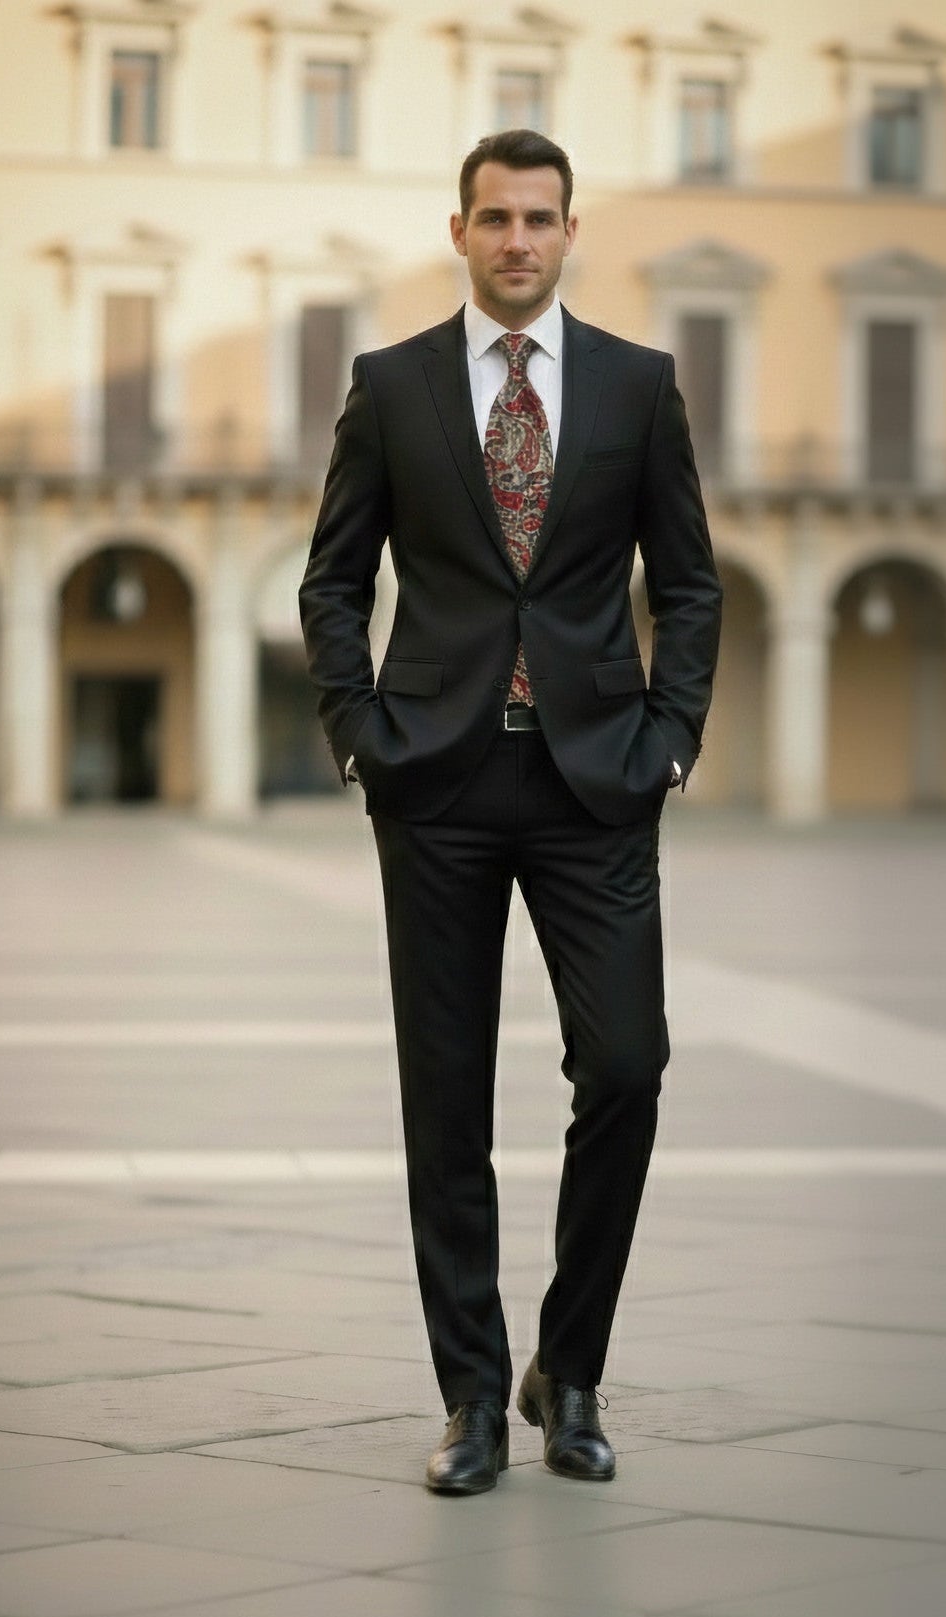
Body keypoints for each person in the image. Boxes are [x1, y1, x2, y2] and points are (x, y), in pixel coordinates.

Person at [298, 128, 722, 1495]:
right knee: (446, 1100)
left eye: (542, 218)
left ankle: (571, 1369)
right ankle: (475, 1400)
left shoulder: (641, 389)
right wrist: (362, 733)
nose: (520, 239)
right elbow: (332, 580)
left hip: (597, 779)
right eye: (497, 218)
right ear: (460, 231)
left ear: (570, 231)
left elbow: (692, 585)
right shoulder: (393, 387)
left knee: (628, 1067)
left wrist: (670, 738)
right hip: (438, 780)